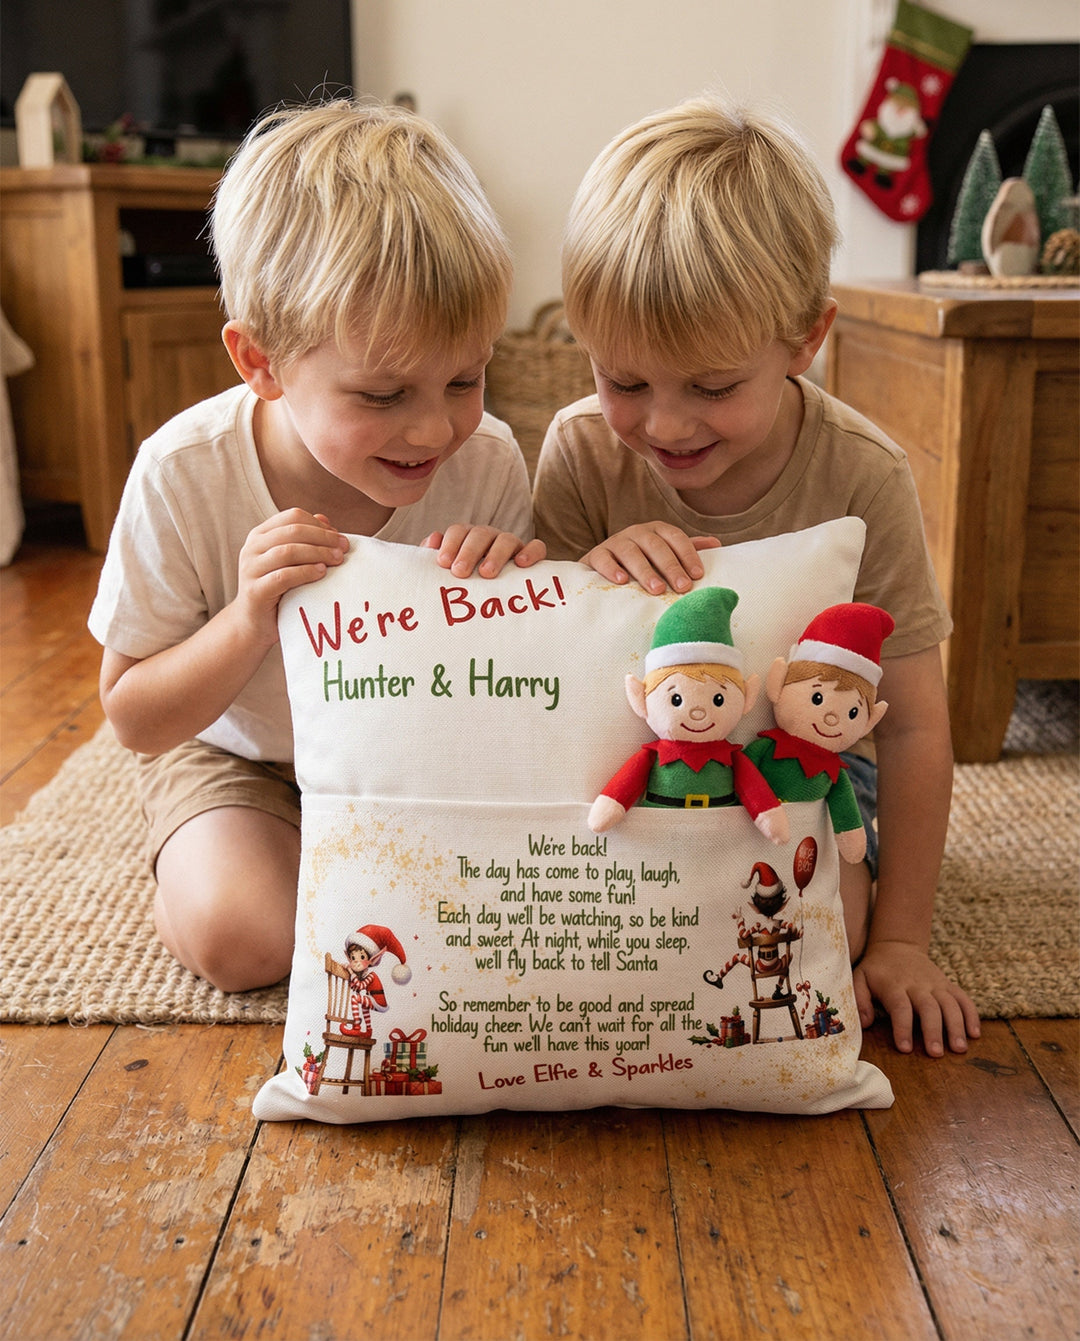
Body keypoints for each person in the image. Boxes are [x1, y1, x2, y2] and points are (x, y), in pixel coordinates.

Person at [533, 96, 979, 1057]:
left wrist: (903, 940)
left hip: (807, 759)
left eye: (713, 386)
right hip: (641, 758)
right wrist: (592, 580)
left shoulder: (864, 473)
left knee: (835, 930)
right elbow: (546, 683)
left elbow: (913, 724)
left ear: (806, 341)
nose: (664, 425)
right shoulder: (578, 450)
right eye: (624, 379)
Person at [89, 100, 543, 993]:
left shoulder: (486, 458)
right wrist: (250, 618)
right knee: (247, 940)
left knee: (498, 922)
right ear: (259, 363)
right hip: (240, 755)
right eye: (381, 395)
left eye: (464, 378)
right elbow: (135, 718)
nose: (433, 427)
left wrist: (514, 595)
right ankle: (186, 867)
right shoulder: (183, 472)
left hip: (413, 759)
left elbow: (515, 702)